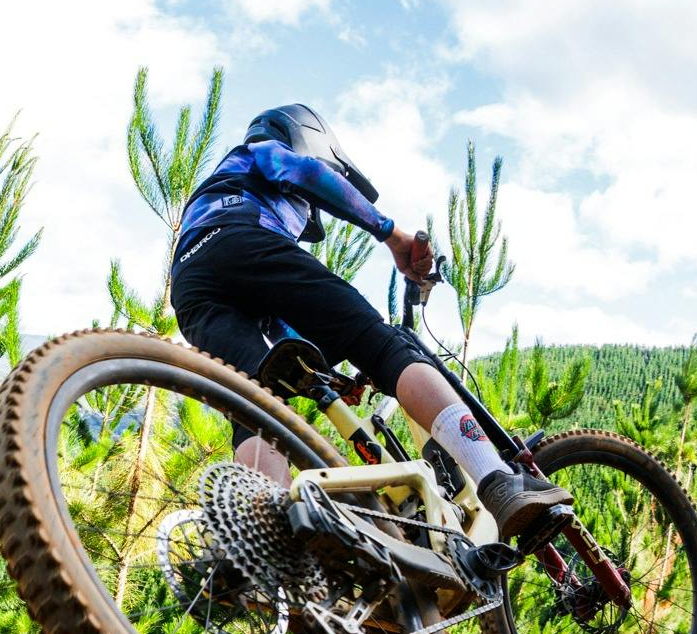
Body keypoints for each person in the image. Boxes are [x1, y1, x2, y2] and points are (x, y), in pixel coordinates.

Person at [169, 103, 571, 541]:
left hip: (191, 288)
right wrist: (391, 233)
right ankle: (497, 480)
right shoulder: (260, 151)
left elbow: (274, 320)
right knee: (379, 344)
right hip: (238, 238)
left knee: (256, 405)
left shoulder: (209, 198)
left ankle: (266, 538)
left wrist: (331, 375)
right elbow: (302, 173)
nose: (304, 216)